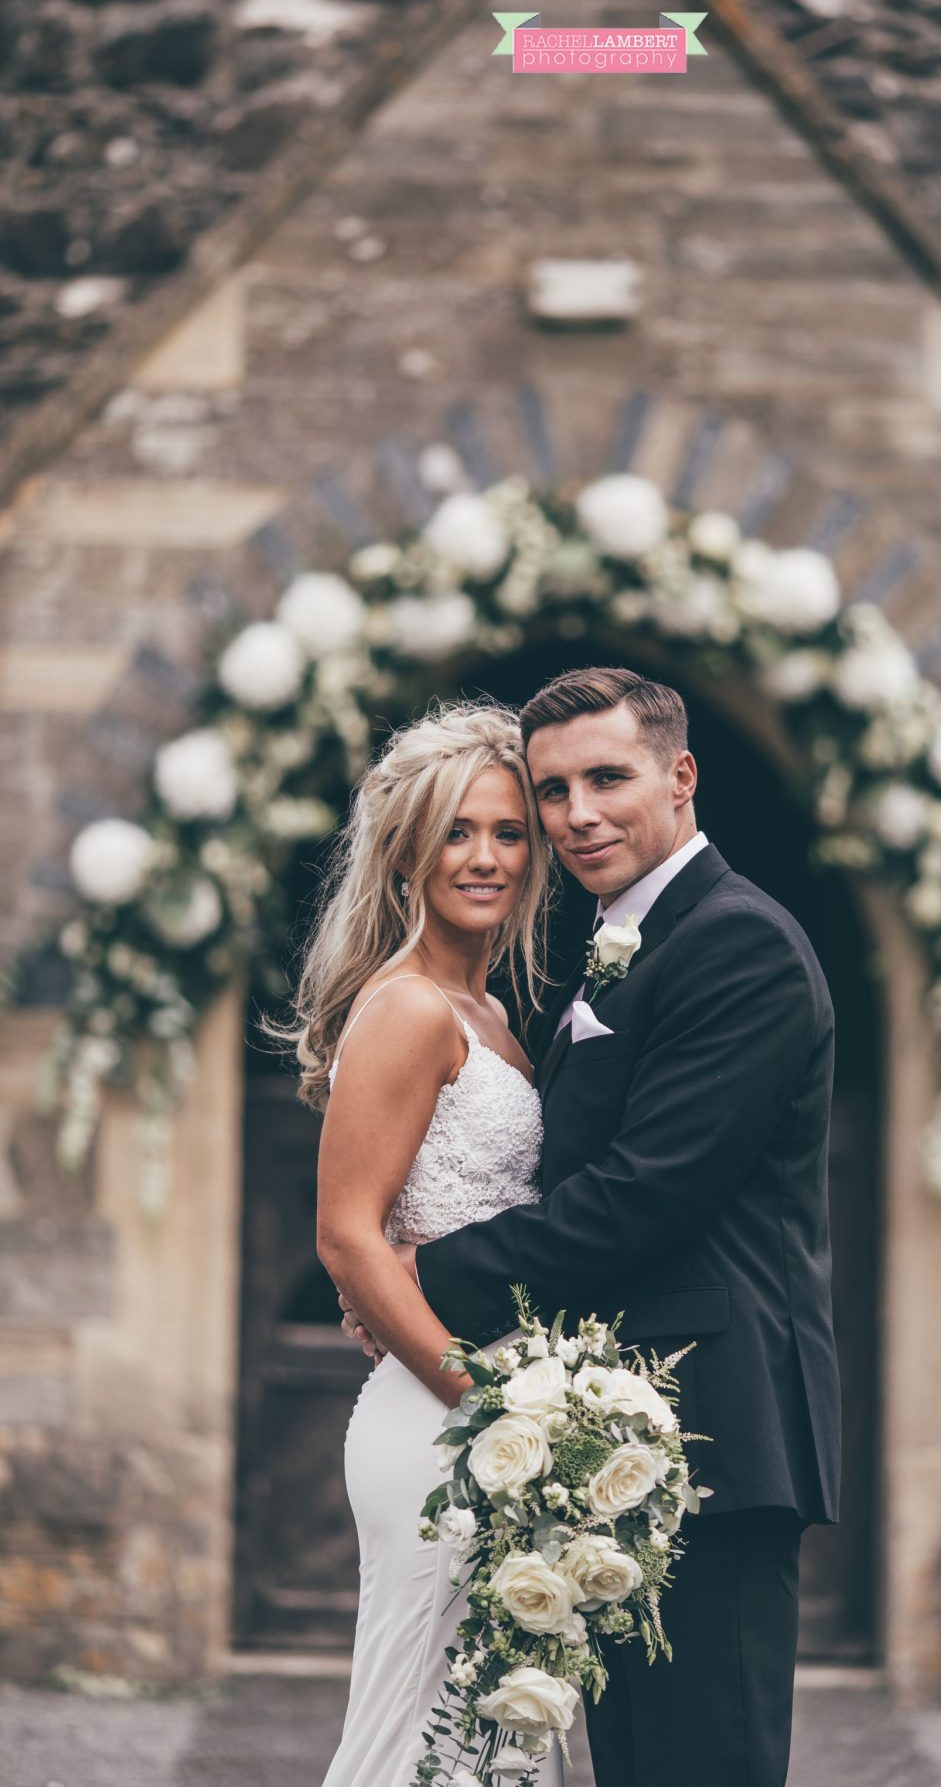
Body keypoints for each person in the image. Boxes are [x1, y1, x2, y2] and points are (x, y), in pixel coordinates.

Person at [342, 666, 841, 1787]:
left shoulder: (737, 944)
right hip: (610, 1443)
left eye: (607, 779)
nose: (578, 815)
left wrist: (422, 1274)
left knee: (700, 1760)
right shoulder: (624, 946)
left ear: (682, 776)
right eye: (554, 790)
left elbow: (642, 1195)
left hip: (710, 1430)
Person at [279, 699, 561, 1787]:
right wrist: (484, 1406)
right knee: (421, 1733)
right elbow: (347, 1236)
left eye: (506, 832)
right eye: (457, 831)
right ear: (407, 854)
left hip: (486, 1413)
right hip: (437, 1419)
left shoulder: (487, 1012)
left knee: (488, 1739)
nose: (485, 857)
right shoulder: (406, 1010)